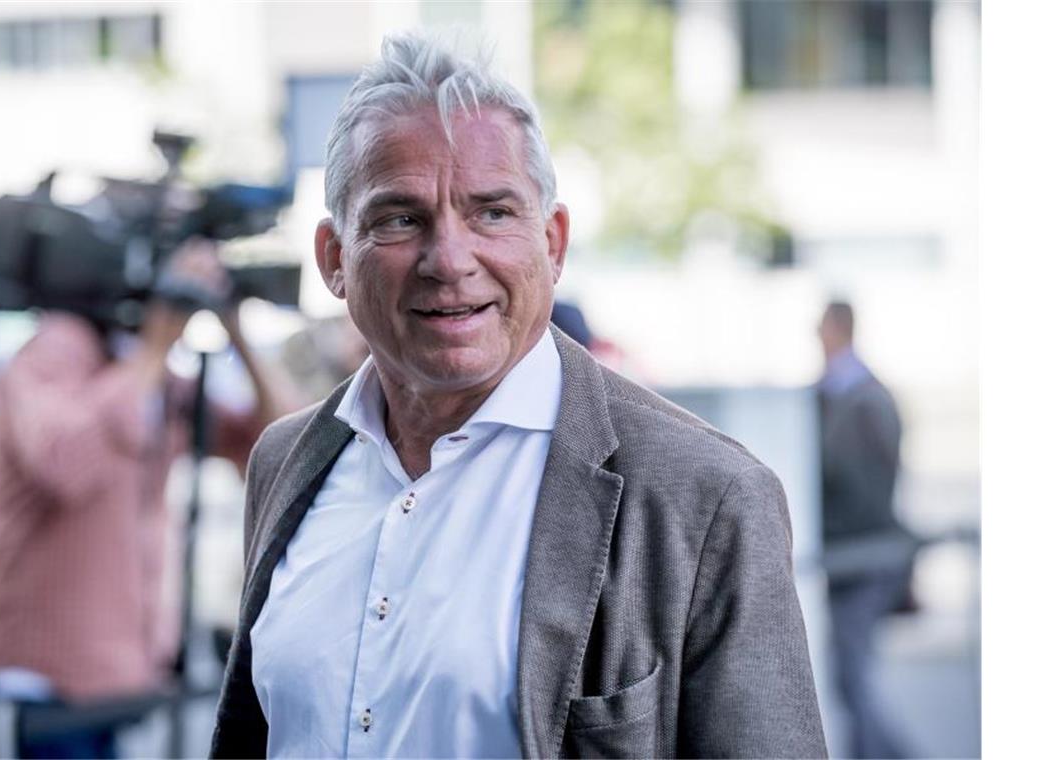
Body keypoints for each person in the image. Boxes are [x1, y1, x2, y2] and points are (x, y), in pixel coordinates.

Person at [211, 34, 826, 759]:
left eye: (492, 213)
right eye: (401, 218)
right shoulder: (285, 462)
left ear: (554, 243)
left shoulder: (705, 497)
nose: (449, 260)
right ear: (335, 259)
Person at [0, 240, 291, 758]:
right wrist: (156, 349)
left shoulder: (141, 369)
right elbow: (65, 464)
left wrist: (236, 330)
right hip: (39, 690)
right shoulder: (55, 347)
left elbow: (281, 446)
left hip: (111, 686)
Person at [817, 299, 916, 759]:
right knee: (849, 677)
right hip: (857, 552)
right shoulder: (849, 394)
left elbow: (865, 485)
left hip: (862, 553)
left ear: (837, 329)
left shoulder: (864, 399)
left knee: (852, 677)